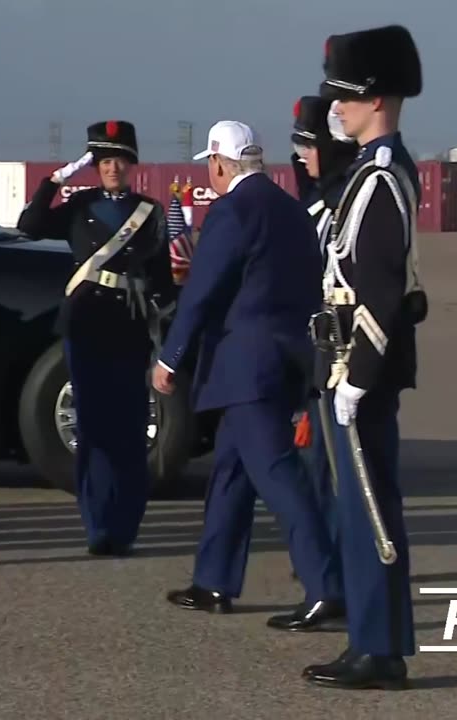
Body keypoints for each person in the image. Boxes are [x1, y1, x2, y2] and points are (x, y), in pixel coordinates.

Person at [152, 121, 342, 629]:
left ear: (219, 163)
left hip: (245, 365)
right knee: (231, 473)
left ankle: (327, 587)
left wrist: (170, 358)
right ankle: (213, 580)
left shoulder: (231, 211)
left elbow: (202, 290)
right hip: (285, 358)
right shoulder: (291, 210)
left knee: (279, 476)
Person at [301, 24, 424, 691]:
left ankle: (379, 649)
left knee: (370, 512)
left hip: (359, 372)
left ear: (376, 99)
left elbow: (379, 289)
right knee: (361, 508)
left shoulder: (380, 178)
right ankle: (374, 640)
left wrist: (359, 380)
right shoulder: (366, 172)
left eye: (344, 98)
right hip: (346, 365)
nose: (335, 109)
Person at [16, 120, 175, 557]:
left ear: (131, 164)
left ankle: (125, 524)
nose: (112, 169)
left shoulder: (150, 211)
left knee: (129, 430)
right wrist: (54, 180)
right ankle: (97, 523)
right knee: (92, 427)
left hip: (129, 324)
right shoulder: (78, 205)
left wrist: (171, 336)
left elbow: (160, 280)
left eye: (119, 160)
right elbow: (29, 224)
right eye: (104, 161)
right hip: (86, 323)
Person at [289, 96, 360, 563]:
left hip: (343, 354)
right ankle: (326, 566)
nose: (301, 156)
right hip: (317, 351)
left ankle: (337, 567)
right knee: (317, 465)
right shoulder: (319, 200)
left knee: (340, 472)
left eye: (308, 145)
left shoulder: (346, 199)